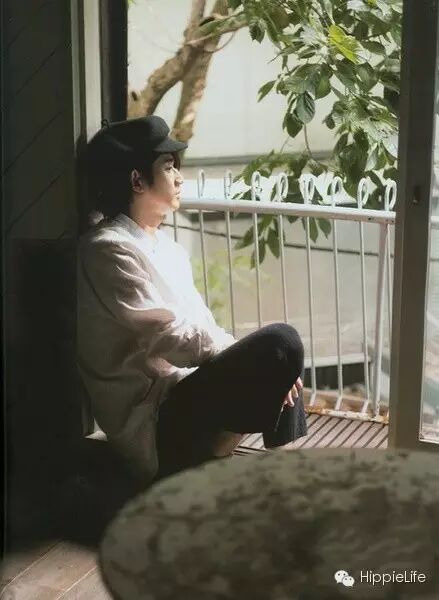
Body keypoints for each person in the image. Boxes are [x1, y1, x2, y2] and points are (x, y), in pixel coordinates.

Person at [78, 116, 307, 487]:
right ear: (137, 180)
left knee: (283, 358)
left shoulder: (167, 248)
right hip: (154, 420)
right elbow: (169, 337)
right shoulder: (107, 250)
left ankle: (269, 463)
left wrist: (259, 366)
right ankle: (205, 467)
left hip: (182, 395)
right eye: (169, 167)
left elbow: (201, 327)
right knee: (281, 343)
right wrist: (249, 360)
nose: (179, 177)